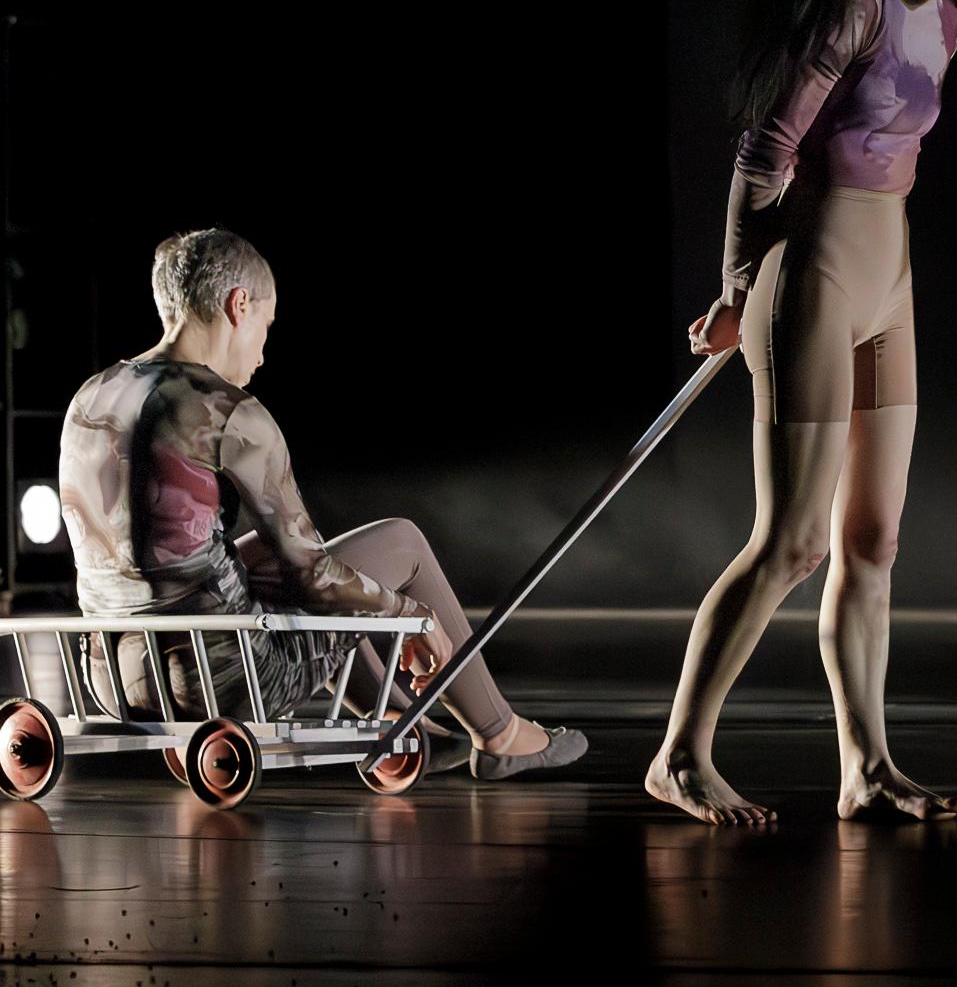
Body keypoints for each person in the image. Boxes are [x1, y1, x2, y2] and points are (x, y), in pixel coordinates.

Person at [648, 0, 957, 826]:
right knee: (791, 543)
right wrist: (738, 290)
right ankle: (679, 757)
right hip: (815, 277)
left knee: (872, 541)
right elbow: (764, 155)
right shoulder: (853, 6)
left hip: (890, 281)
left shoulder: (952, 15)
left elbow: (897, 142)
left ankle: (866, 767)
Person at [57, 229, 585, 778]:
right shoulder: (226, 410)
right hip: (224, 678)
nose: (262, 353)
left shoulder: (91, 396)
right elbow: (313, 576)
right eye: (266, 326)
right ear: (239, 305)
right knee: (399, 544)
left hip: (110, 677)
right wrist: (414, 617)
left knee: (266, 552)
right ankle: (499, 733)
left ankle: (403, 722)